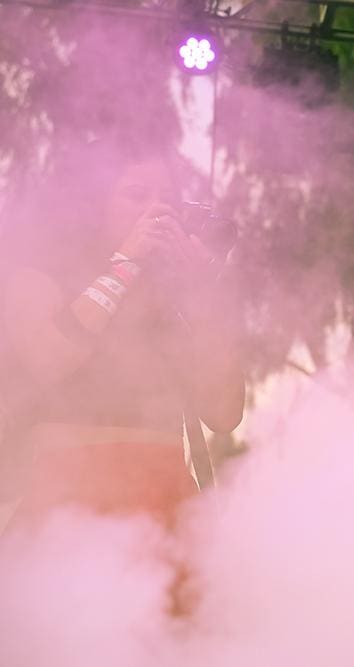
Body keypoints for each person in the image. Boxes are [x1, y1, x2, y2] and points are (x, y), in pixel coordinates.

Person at [0, 137, 245, 533]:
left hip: (164, 521)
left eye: (167, 199)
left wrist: (203, 297)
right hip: (65, 518)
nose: (158, 211)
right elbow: (49, 361)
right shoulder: (40, 278)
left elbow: (224, 414)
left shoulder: (173, 304)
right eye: (137, 195)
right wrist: (124, 266)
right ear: (94, 206)